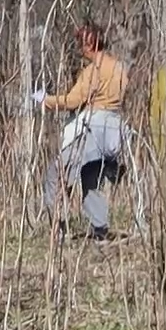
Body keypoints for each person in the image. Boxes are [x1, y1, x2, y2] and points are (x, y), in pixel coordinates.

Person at [34, 22, 128, 241]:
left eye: (81, 43)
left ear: (89, 44)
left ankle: (58, 232)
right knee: (90, 179)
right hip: (112, 133)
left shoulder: (93, 71)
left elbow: (73, 100)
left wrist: (45, 100)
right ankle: (100, 231)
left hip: (91, 132)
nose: (79, 48)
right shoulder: (120, 67)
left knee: (55, 176)